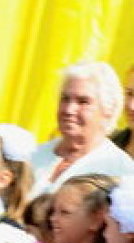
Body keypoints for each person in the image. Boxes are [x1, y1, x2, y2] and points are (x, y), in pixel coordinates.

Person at [31, 61, 134, 195]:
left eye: (83, 102)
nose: (69, 109)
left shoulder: (121, 173)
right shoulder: (32, 156)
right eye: (65, 99)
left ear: (108, 110)